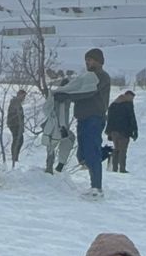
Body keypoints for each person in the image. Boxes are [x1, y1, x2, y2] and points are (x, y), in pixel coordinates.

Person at [50, 48, 111, 196]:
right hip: (83, 119)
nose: (87, 62)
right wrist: (66, 88)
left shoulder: (101, 77)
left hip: (94, 118)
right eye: (86, 60)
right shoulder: (86, 77)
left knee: (91, 152)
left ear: (99, 61)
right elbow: (78, 88)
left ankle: (96, 187)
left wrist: (68, 95)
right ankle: (104, 154)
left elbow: (88, 92)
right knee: (82, 155)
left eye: (90, 60)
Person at [104, 90, 138, 173]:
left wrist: (109, 131)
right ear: (127, 96)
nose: (132, 100)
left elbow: (109, 119)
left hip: (114, 131)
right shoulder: (128, 105)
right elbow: (131, 118)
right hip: (124, 131)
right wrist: (135, 130)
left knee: (116, 149)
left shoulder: (113, 104)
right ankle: (122, 169)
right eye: (131, 98)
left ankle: (114, 168)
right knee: (123, 150)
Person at [41, 91, 75, 174]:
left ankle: (54, 166)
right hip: (56, 129)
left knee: (52, 147)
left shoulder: (55, 98)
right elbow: (61, 117)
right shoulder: (60, 100)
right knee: (54, 146)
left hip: (56, 129)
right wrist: (63, 128)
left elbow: (46, 109)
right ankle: (54, 167)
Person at [6, 89, 27, 164]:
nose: (24, 98)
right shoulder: (15, 102)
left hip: (17, 125)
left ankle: (15, 157)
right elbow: (16, 114)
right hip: (14, 125)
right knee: (17, 140)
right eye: (23, 96)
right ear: (19, 95)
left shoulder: (17, 102)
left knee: (19, 140)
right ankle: (14, 157)